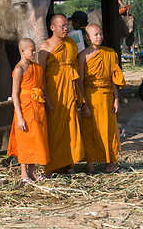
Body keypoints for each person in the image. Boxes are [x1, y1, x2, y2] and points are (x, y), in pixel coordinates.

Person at [38, 14, 85, 177]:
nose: (66, 28)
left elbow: (76, 68)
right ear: (52, 28)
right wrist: (46, 97)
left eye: (67, 25)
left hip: (70, 91)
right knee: (54, 128)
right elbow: (40, 73)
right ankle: (51, 166)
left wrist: (80, 94)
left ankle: (67, 163)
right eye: (62, 26)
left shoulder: (71, 43)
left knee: (71, 126)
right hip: (53, 91)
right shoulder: (45, 47)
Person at [78, 24, 126, 174]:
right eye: (95, 34)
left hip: (106, 98)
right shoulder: (82, 56)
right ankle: (90, 165)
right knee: (90, 131)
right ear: (87, 37)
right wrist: (83, 103)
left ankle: (110, 163)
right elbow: (79, 81)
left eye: (101, 34)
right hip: (90, 97)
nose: (99, 37)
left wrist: (116, 99)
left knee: (109, 130)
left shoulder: (110, 53)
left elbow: (114, 78)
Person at [7, 38, 50, 183]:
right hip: (24, 109)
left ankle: (32, 172)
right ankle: (23, 174)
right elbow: (14, 94)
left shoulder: (36, 67)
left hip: (36, 107)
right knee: (24, 141)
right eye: (31, 50)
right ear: (22, 51)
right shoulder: (19, 69)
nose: (34, 52)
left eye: (34, 49)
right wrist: (19, 117)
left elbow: (41, 86)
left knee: (35, 140)